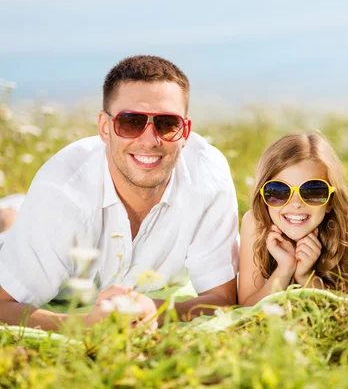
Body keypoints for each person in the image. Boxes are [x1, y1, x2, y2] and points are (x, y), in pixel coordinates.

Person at [0, 55, 239, 329]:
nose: (149, 141)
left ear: (185, 131)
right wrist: (83, 324)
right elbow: (3, 302)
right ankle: (9, 215)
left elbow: (220, 298)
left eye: (167, 124)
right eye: (131, 122)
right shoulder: (62, 192)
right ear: (105, 128)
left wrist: (157, 311)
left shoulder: (208, 179)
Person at [238, 134, 348, 306]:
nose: (296, 204)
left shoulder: (343, 217)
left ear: (330, 201)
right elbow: (247, 305)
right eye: (278, 191)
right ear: (263, 195)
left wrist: (306, 276)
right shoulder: (254, 223)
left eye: (313, 192)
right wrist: (285, 268)